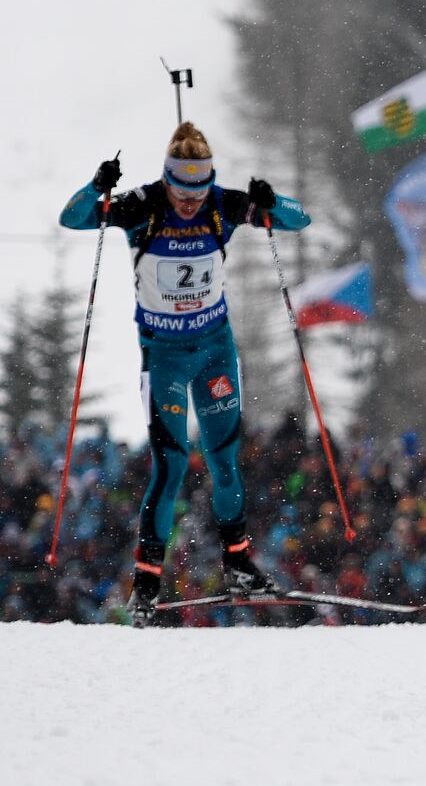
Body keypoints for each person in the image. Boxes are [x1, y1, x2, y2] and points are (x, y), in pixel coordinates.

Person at [60, 122, 311, 626]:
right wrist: (96, 185)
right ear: (167, 181)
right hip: (165, 356)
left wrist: (271, 199)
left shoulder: (224, 204)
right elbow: (73, 219)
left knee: (225, 460)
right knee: (171, 465)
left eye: (199, 190)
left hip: (216, 350)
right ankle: (147, 583)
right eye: (182, 191)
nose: (191, 202)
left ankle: (239, 564)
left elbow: (297, 221)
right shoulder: (141, 205)